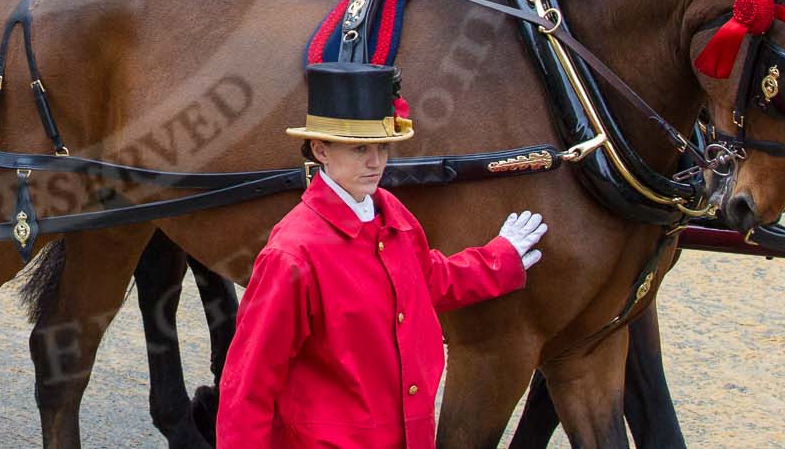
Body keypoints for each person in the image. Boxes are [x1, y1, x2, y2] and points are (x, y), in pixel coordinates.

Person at [215, 63, 542, 448]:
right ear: (321, 150)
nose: (375, 162)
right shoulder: (292, 254)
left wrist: (502, 259)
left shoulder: (392, 213)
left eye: (382, 148)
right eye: (359, 149)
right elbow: (248, 386)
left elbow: (430, 281)